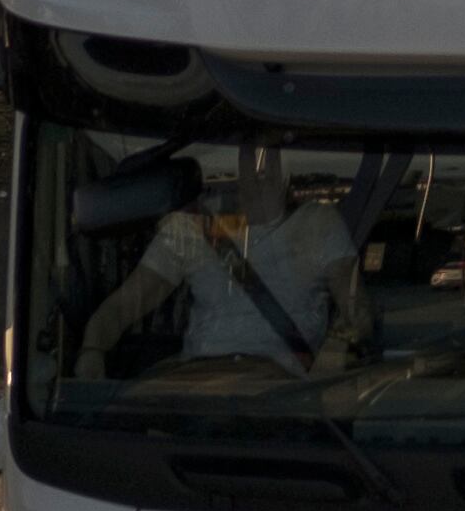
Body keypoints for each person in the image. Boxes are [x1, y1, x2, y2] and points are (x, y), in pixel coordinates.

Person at [79, 143, 368, 376]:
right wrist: (92, 350)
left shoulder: (316, 225)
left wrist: (334, 355)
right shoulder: (193, 228)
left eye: (271, 154)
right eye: (250, 153)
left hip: (278, 397)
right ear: (238, 166)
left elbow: (356, 311)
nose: (260, 164)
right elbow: (123, 306)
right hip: (192, 385)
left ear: (287, 171)